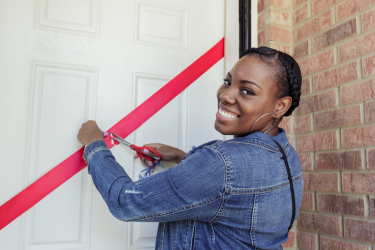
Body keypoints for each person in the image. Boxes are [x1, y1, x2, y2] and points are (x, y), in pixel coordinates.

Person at [77, 47, 303, 250]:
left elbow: (124, 202)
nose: (225, 95)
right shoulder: (285, 154)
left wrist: (94, 145)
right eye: (227, 81)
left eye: (247, 91)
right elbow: (237, 197)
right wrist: (182, 158)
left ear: (279, 106)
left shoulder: (222, 164)